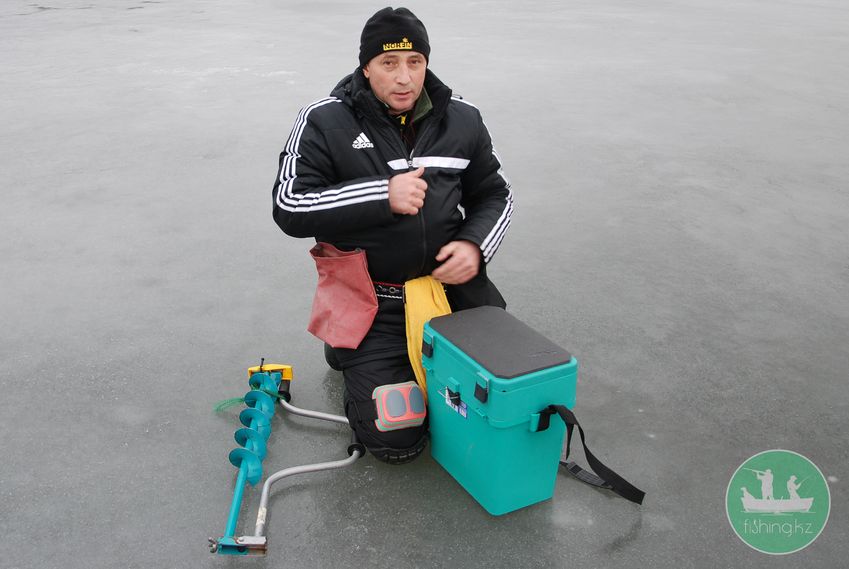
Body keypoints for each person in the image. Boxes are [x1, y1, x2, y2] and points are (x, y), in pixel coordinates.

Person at [272, 7, 513, 463]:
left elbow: (494, 194)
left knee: (502, 391)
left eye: (414, 62)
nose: (404, 77)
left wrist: (474, 246)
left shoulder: (463, 118)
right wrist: (382, 194)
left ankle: (360, 352)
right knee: (397, 439)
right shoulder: (324, 121)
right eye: (389, 63)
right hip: (372, 302)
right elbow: (289, 206)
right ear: (366, 67)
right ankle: (348, 349)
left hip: (450, 294)